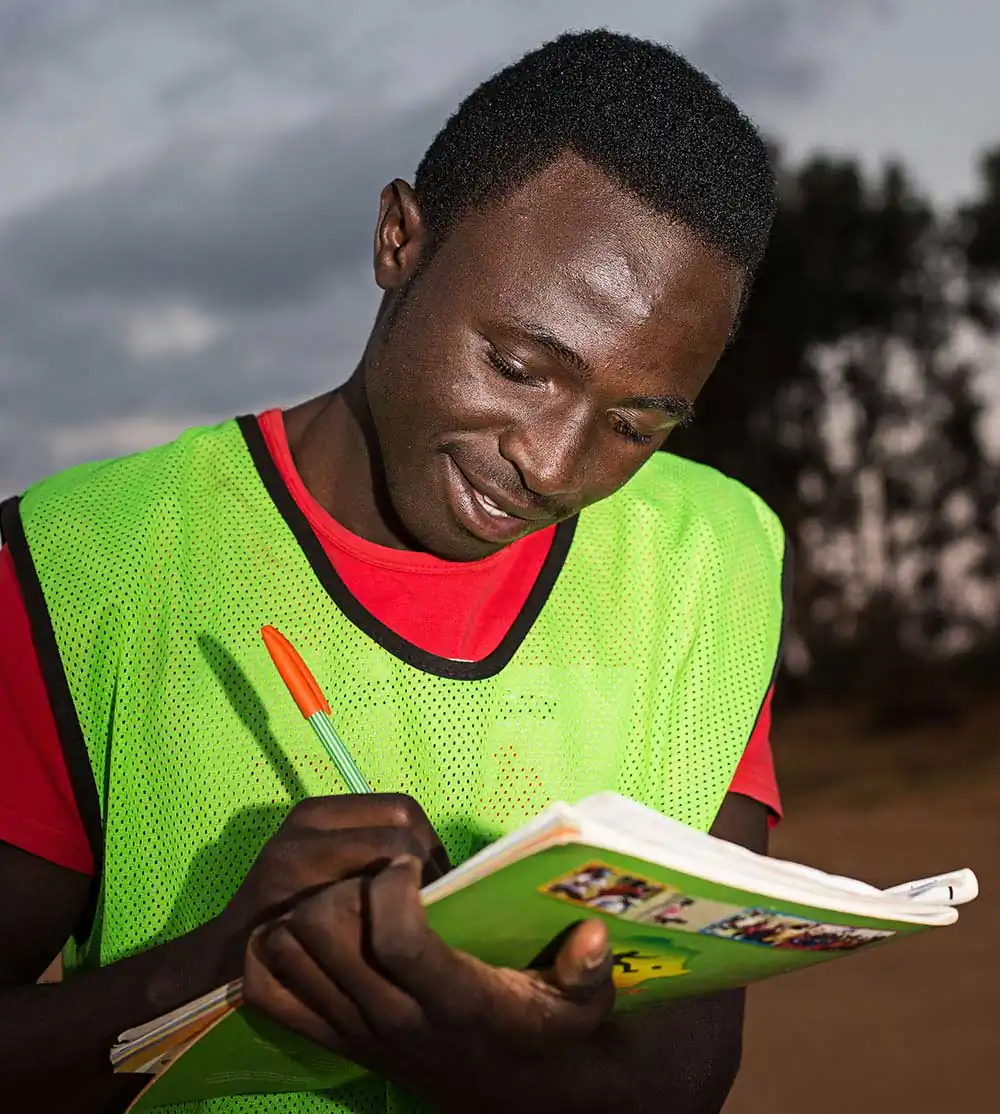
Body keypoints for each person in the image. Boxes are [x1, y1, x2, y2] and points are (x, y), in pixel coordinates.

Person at [0, 27, 787, 1114]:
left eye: (635, 426)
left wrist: (448, 1031)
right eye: (517, 366)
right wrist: (212, 974)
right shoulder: (84, 567)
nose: (553, 464)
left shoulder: (708, 559)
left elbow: (684, 1075)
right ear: (399, 239)